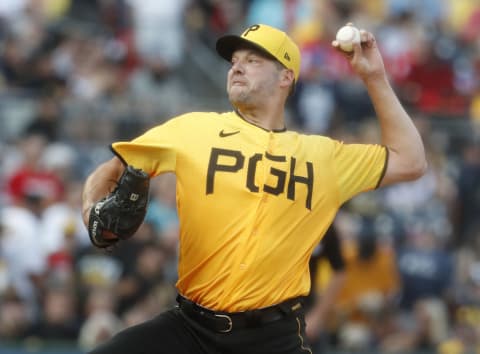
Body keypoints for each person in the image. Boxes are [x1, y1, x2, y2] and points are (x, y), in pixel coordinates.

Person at [81, 23, 426, 354]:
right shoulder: (193, 129)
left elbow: (410, 161)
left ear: (286, 77)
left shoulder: (324, 157)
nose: (237, 68)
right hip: (191, 328)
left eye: (253, 61)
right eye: (234, 62)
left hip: (271, 338)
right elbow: (114, 166)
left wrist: (374, 76)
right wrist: (90, 211)